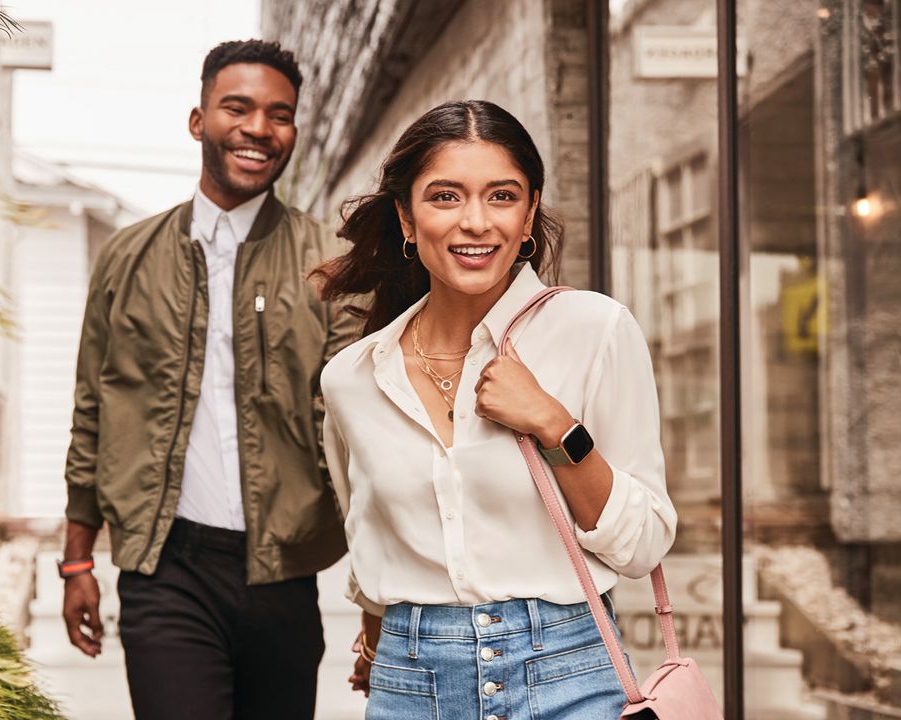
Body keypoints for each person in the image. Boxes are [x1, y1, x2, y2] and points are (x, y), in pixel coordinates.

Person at [315, 100, 678, 719]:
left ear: (530, 210)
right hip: (410, 683)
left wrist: (556, 425)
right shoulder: (352, 378)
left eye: (502, 196)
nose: (476, 222)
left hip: (570, 672)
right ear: (406, 218)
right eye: (446, 197)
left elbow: (642, 546)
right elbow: (370, 541)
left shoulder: (594, 329)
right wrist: (378, 646)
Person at [60, 39, 358, 720]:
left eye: (279, 114)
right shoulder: (127, 257)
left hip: (284, 573)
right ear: (199, 120)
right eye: (238, 107)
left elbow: (352, 435)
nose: (259, 128)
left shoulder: (331, 269)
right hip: (167, 567)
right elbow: (91, 411)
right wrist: (78, 560)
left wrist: (376, 592)